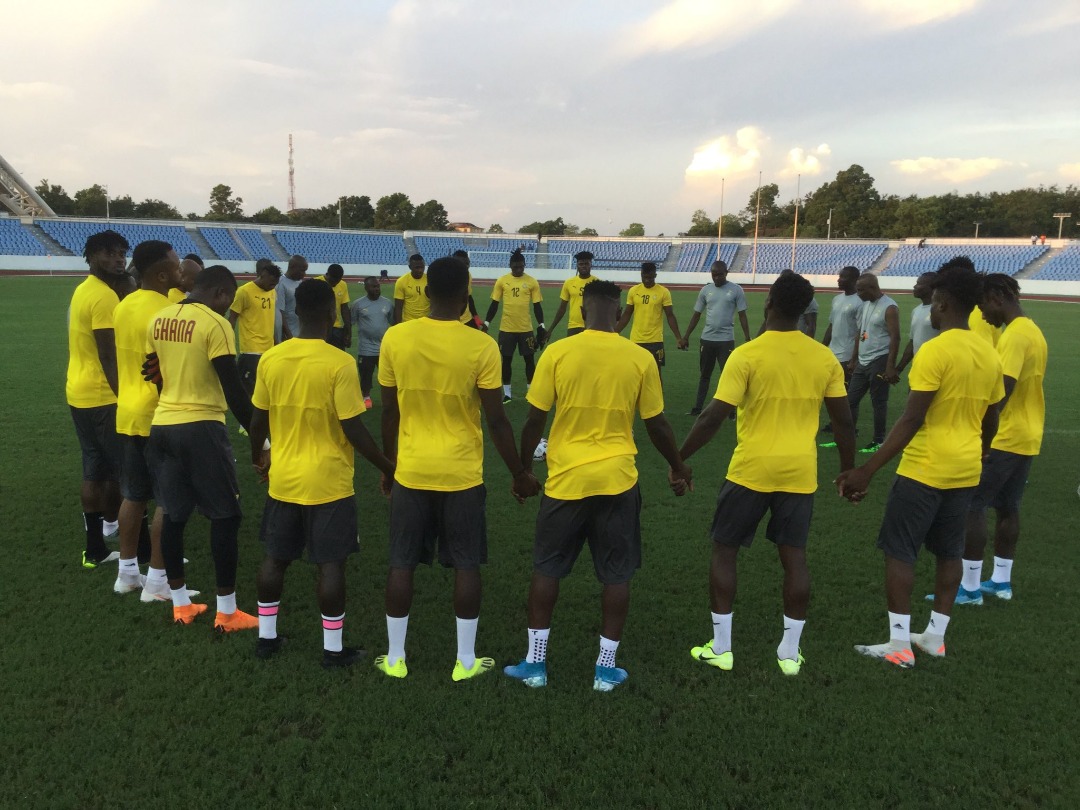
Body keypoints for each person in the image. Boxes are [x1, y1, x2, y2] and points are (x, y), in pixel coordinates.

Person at [505, 280, 692, 692]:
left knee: (547, 569)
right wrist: (678, 467)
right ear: (619, 313)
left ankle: (535, 664)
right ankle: (605, 670)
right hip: (618, 480)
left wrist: (522, 472)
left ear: (582, 311)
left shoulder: (558, 352)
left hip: (566, 481)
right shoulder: (639, 357)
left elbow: (534, 420)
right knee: (616, 575)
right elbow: (657, 424)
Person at [678, 272, 855, 677]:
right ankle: (789, 655)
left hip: (751, 471)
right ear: (805, 309)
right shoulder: (823, 357)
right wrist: (848, 471)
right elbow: (844, 423)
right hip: (799, 473)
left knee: (725, 550)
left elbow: (712, 417)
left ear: (769, 301)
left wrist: (679, 460)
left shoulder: (747, 354)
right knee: (794, 558)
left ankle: (721, 648)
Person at [376, 256, 540, 681]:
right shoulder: (481, 345)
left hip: (411, 470)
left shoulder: (396, 337)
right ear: (467, 294)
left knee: (401, 562)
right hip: (462, 473)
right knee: (466, 564)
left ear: (427, 292)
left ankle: (395, 658)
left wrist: (388, 465)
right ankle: (465, 662)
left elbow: (389, 412)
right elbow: (497, 420)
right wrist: (519, 473)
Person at [837, 264, 1004, 668]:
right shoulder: (988, 352)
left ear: (941, 303)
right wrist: (981, 450)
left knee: (901, 552)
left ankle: (898, 644)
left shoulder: (935, 350)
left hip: (924, 469)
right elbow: (992, 416)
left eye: (933, 302)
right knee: (950, 553)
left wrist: (866, 470)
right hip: (965, 469)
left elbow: (912, 419)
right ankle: (935, 637)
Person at [249, 278, 396, 668]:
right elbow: (353, 428)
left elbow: (258, 419)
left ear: (296, 312)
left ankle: (266, 639)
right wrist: (388, 467)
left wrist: (258, 456)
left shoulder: (271, 358)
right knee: (330, 564)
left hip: (284, 478)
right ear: (333, 314)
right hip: (329, 483)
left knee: (275, 559)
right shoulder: (339, 363)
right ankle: (332, 650)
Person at [145, 265, 259, 631]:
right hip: (201, 426)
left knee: (173, 514)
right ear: (221, 294)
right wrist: (261, 439)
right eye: (229, 300)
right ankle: (227, 612)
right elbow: (233, 388)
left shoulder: (158, 319)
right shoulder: (215, 324)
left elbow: (155, 374)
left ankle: (182, 606)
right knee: (225, 516)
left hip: (163, 424)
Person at [951, 274, 1046, 604]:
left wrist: (980, 432)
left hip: (1005, 437)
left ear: (996, 298)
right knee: (1008, 507)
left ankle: (969, 588)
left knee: (972, 505)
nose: (982, 314)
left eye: (982, 306)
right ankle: (1001, 582)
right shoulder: (1032, 330)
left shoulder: (1015, 336)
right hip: (1027, 434)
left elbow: (1003, 389)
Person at [112, 240, 187, 601]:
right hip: (160, 414)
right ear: (161, 275)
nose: (180, 271)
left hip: (128, 410)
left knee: (134, 496)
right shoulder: (169, 311)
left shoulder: (123, 306)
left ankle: (127, 573)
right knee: (168, 501)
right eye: (175, 266)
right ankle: (157, 581)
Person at [67, 229, 129, 568]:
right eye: (109, 253)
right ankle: (136, 545)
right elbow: (109, 355)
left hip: (79, 391)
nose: (118, 259)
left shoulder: (83, 289)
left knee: (93, 469)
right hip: (104, 395)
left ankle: (95, 547)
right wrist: (124, 396)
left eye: (121, 253)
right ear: (91, 256)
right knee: (122, 472)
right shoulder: (104, 297)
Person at [682, 260, 750, 416]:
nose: (716, 278)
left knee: (728, 376)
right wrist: (686, 336)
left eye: (720, 275)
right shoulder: (706, 290)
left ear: (726, 273)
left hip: (726, 340)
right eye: (714, 275)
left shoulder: (736, 290)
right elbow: (696, 315)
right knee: (704, 375)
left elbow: (742, 315)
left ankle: (731, 411)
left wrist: (747, 337)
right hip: (707, 339)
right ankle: (698, 408)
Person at [843, 273, 900, 453]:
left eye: (861, 290)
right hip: (863, 360)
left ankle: (878, 440)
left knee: (878, 402)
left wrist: (890, 366)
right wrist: (854, 359)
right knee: (850, 400)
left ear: (873, 288)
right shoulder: (866, 305)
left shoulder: (889, 307)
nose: (858, 293)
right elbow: (862, 332)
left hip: (879, 359)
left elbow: (895, 338)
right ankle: (848, 435)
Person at [484, 249, 545, 403]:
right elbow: (494, 304)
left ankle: (531, 392)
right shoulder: (502, 281)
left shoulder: (532, 282)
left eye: (521, 266)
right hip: (506, 329)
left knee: (529, 360)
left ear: (524, 265)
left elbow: (537, 306)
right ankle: (507, 393)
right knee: (506, 360)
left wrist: (541, 325)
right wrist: (486, 323)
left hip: (526, 329)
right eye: (515, 267)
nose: (518, 269)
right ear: (510, 265)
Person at [615, 262, 684, 381]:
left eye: (650, 277)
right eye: (644, 277)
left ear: (655, 275)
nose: (647, 280)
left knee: (655, 373)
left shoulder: (663, 292)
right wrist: (615, 332)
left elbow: (670, 316)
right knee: (635, 373)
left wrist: (678, 338)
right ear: (641, 274)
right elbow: (627, 314)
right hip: (636, 340)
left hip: (655, 340)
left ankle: (658, 394)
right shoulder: (633, 291)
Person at [229, 261, 280, 398]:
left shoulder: (272, 291)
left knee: (266, 390)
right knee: (249, 392)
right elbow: (232, 317)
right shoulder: (244, 292)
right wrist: (228, 342)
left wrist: (276, 342)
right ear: (262, 275)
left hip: (269, 350)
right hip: (251, 350)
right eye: (271, 283)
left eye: (275, 284)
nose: (272, 287)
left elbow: (269, 318)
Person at [350, 276, 394, 409]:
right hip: (366, 348)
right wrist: (347, 336)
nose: (377, 289)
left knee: (388, 375)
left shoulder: (387, 303)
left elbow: (393, 322)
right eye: (373, 287)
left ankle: (389, 398)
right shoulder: (358, 304)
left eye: (378, 286)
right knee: (366, 374)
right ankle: (366, 397)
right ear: (366, 288)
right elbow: (350, 322)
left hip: (383, 348)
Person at [895, 272, 939, 376]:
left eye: (919, 284)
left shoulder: (940, 311)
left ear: (931, 288)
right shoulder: (916, 310)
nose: (914, 286)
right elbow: (912, 342)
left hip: (936, 367)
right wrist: (899, 369)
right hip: (918, 366)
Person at [547, 251, 597, 338]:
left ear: (591, 265)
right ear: (577, 265)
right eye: (581, 264)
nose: (584, 266)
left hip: (592, 326)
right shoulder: (569, 283)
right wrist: (551, 329)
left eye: (586, 264)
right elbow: (562, 309)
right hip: (573, 326)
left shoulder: (597, 283)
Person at [315, 264, 351, 348]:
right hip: (319, 327)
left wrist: (348, 330)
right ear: (327, 274)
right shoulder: (315, 282)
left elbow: (344, 308)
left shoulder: (343, 284)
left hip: (336, 328)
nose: (335, 283)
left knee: (337, 354)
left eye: (338, 281)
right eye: (333, 281)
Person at [276, 254, 308, 339]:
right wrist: (288, 335)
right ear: (292, 267)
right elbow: (280, 312)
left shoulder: (300, 282)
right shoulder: (281, 284)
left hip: (300, 333)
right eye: (302, 270)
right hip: (288, 334)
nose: (304, 274)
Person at [452, 249, 485, 329]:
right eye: (463, 264)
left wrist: (475, 316)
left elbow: (469, 297)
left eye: (467, 264)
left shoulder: (468, 275)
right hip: (451, 321)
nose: (466, 267)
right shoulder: (445, 277)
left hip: (467, 319)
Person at [393, 254, 428, 324]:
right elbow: (398, 307)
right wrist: (398, 325)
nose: (420, 270)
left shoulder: (430, 280)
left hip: (426, 322)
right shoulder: (401, 281)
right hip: (408, 322)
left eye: (422, 267)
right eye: (417, 268)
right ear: (410, 267)